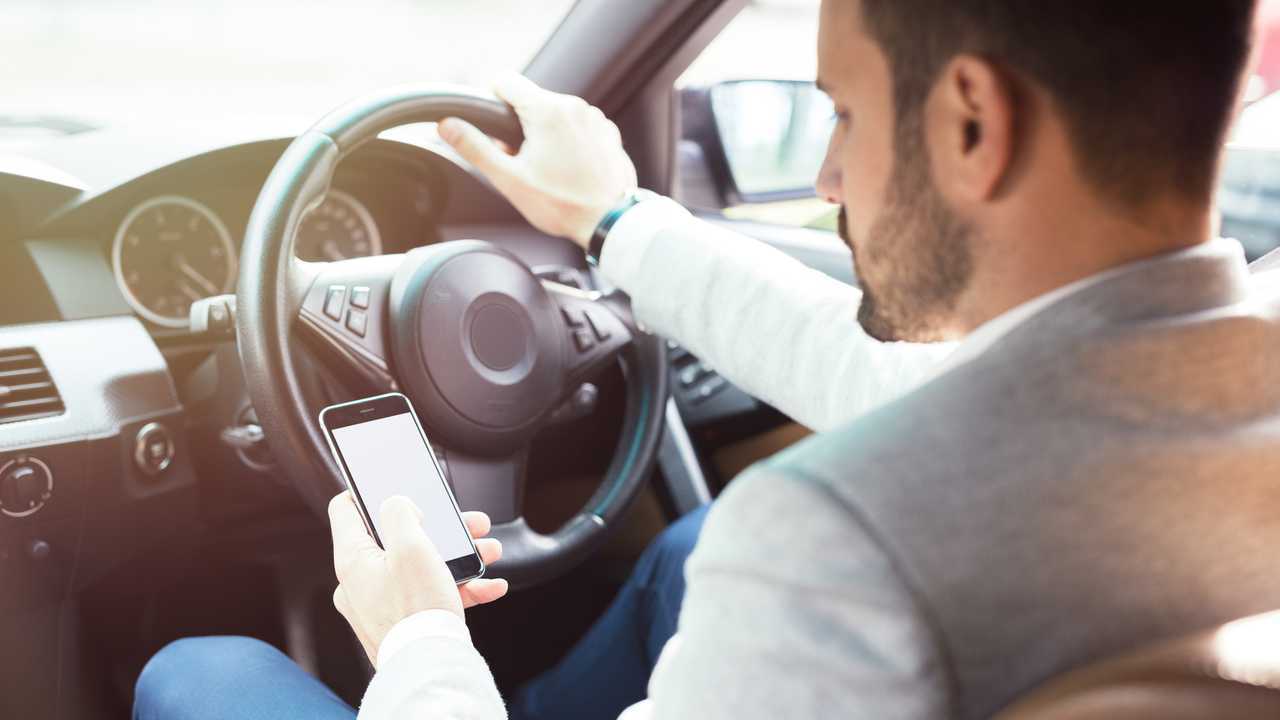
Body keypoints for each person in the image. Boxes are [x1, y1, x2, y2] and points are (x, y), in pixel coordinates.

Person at [134, 0, 1280, 718]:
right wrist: (616, 223)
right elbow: (889, 384)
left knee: (198, 676)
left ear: (972, 123)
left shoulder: (842, 542)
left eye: (837, 115)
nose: (826, 179)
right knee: (693, 544)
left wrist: (418, 639)